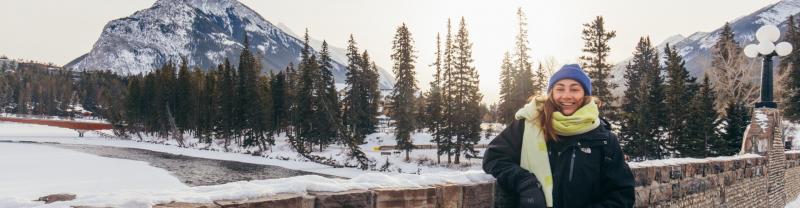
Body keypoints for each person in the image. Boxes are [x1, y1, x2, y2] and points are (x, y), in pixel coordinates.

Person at [483, 64, 634, 208]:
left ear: (586, 95)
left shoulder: (604, 139)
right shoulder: (529, 124)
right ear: (552, 93)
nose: (566, 96)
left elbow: (622, 194)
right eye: (560, 89)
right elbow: (494, 157)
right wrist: (525, 182)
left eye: (574, 89)